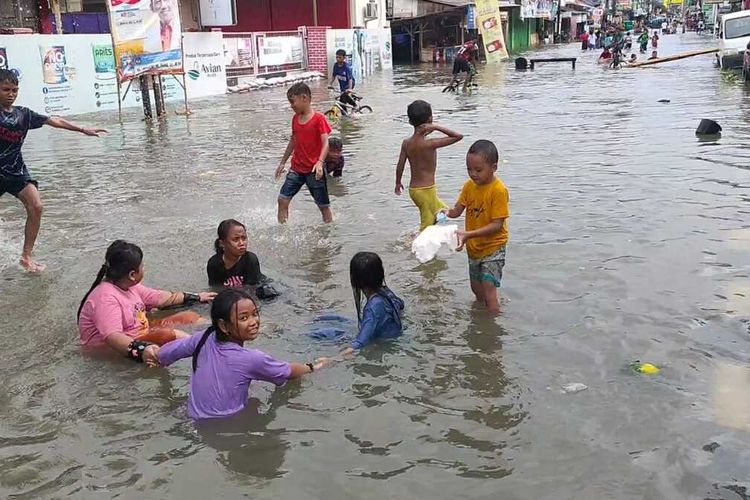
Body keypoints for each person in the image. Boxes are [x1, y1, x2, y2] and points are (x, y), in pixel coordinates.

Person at [154, 288, 327, 419]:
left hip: (193, 418)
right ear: (223, 325)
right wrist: (313, 366)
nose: (254, 322)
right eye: (244, 318)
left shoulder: (202, 337)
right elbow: (289, 372)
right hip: (228, 423)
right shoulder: (251, 359)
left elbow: (163, 355)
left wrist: (152, 355)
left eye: (255, 314)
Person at [0, 69, 106, 273]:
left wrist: (83, 129)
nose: (11, 94)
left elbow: (53, 121)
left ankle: (26, 256)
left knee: (37, 206)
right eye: (6, 90)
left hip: (15, 171)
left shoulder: (24, 114)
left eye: (14, 90)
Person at [77, 240, 215, 363]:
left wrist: (197, 297)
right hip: (115, 349)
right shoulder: (105, 298)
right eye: (142, 266)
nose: (144, 268)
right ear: (132, 275)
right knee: (169, 335)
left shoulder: (129, 286)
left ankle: (220, 330)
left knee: (189, 316)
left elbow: (161, 299)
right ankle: (210, 351)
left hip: (140, 331)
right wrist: (142, 351)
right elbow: (112, 337)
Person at [441, 140, 510, 313]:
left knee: (488, 287)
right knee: (476, 289)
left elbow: (496, 225)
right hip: (474, 248)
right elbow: (458, 210)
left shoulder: (498, 190)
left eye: (478, 170)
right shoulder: (469, 187)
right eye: (469, 169)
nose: (473, 174)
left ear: (493, 167)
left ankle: (493, 326)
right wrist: (447, 213)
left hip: (493, 247)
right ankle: (480, 320)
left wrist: (468, 234)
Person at [395, 100, 463, 231]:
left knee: (445, 212)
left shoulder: (406, 143)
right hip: (426, 190)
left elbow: (400, 165)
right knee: (426, 227)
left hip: (414, 191)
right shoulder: (430, 144)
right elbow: (458, 136)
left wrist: (398, 182)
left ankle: (421, 239)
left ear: (410, 122)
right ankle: (413, 246)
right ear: (430, 120)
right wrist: (436, 126)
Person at [275, 82, 332, 224]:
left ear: (304, 98)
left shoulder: (319, 119)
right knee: (282, 199)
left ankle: (329, 233)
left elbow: (326, 143)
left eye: (292, 101)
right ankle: (283, 233)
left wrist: (320, 162)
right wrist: (282, 162)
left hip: (314, 169)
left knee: (323, 206)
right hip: (296, 169)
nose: (291, 105)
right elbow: (293, 141)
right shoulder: (295, 119)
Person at [337, 252, 404, 356]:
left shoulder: (373, 308)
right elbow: (400, 304)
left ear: (356, 280)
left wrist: (330, 360)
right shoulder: (386, 291)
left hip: (384, 347)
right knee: (334, 319)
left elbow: (360, 343)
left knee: (325, 333)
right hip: (395, 340)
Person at [207, 219, 279, 299]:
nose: (241, 243)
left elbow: (252, 290)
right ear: (222, 244)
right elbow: (215, 289)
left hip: (261, 286)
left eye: (244, 238)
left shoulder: (250, 259)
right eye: (236, 239)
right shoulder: (214, 264)